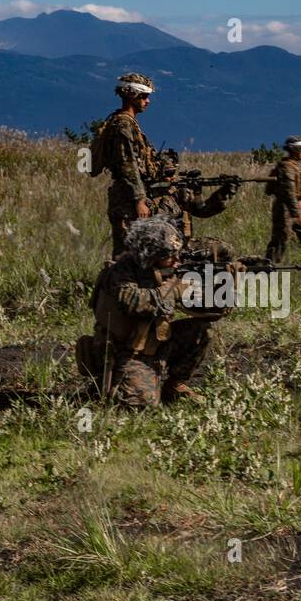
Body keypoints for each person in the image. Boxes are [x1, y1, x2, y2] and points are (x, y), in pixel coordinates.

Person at [79, 216, 211, 407]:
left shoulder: (166, 271)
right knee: (140, 404)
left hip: (157, 343)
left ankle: (175, 385)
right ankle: (106, 384)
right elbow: (136, 303)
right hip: (127, 352)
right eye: (169, 255)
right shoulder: (120, 273)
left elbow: (204, 308)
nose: (176, 260)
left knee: (201, 331)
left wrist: (215, 288)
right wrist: (174, 290)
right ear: (151, 256)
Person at [90, 72, 161, 255]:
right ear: (132, 95)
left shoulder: (126, 122)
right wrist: (139, 200)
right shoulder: (123, 125)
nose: (148, 101)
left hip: (129, 194)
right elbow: (127, 164)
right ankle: (116, 283)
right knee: (126, 251)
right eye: (144, 96)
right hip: (126, 198)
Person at [265, 135, 301, 263]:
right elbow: (288, 192)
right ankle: (268, 267)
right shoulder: (286, 167)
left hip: (292, 207)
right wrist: (297, 214)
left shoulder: (294, 166)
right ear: (294, 151)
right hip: (284, 209)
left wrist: (300, 201)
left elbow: (294, 191)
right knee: (280, 239)